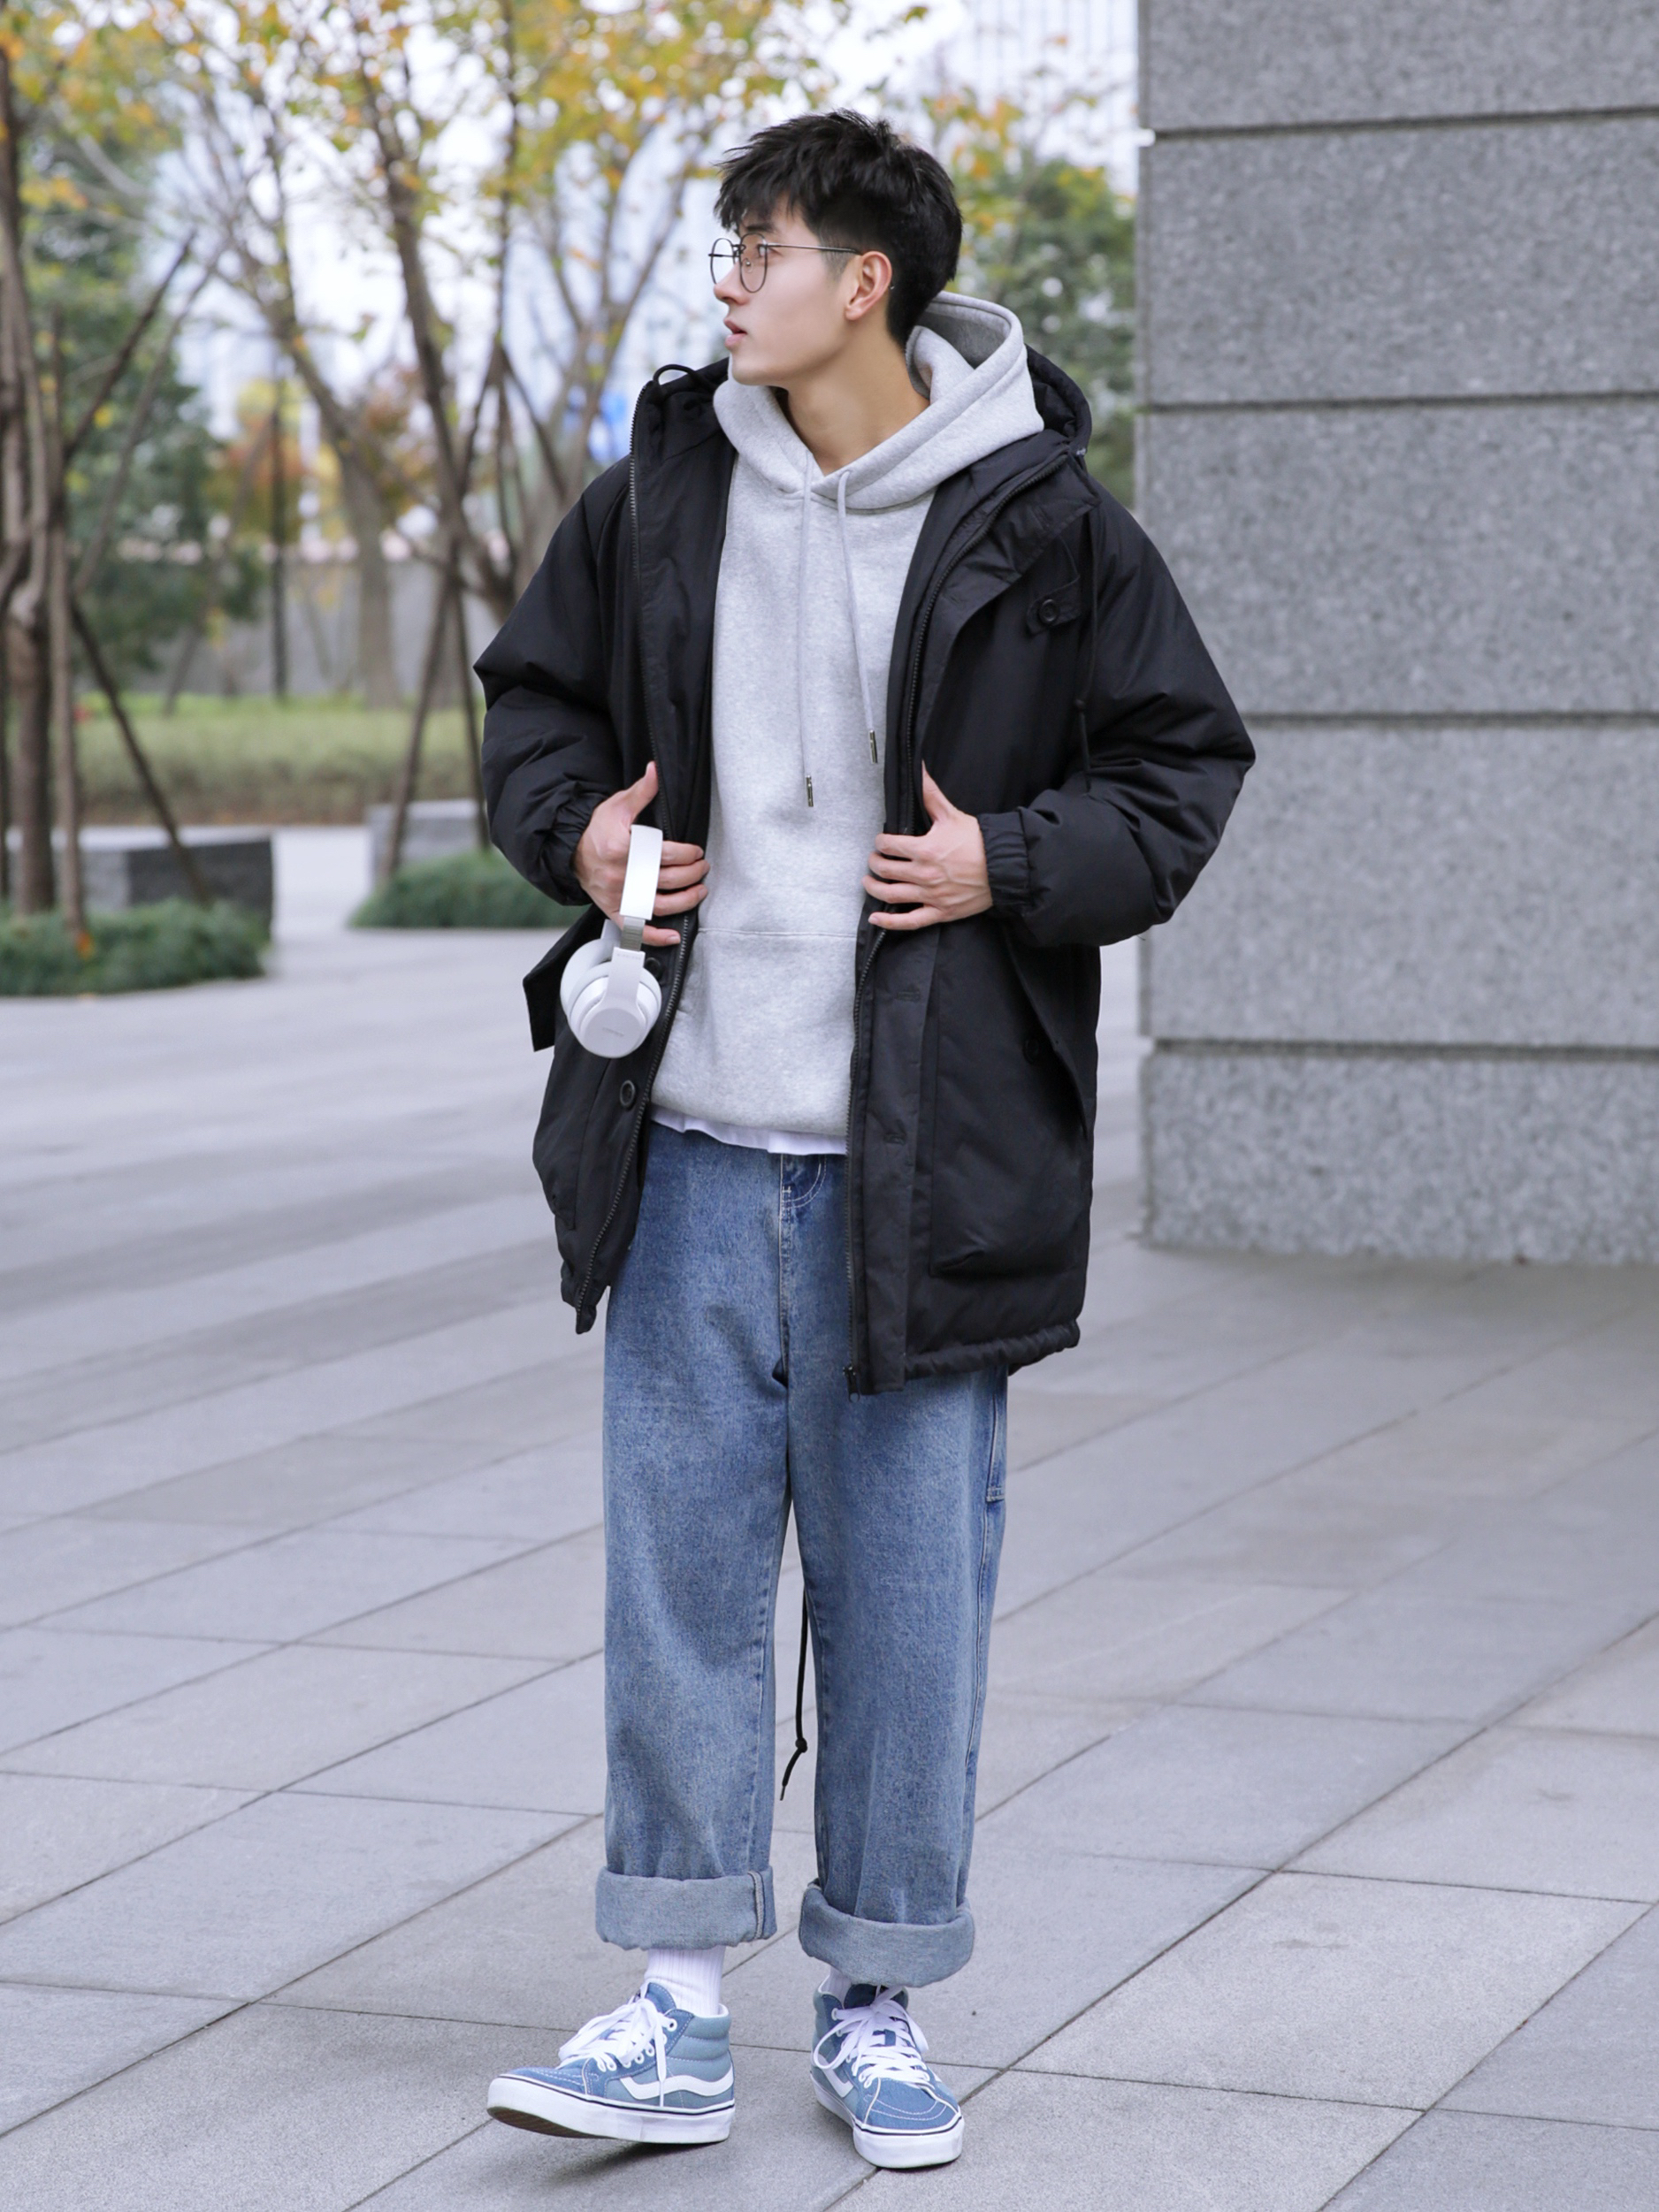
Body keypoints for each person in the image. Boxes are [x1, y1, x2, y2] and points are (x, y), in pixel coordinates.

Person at [475, 109, 1251, 2171]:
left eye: (762, 247)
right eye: (730, 248)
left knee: (908, 1602)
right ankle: (668, 2006)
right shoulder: (661, 494)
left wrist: (1013, 860)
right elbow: (531, 706)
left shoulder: (1042, 526)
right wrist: (580, 834)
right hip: (684, 1145)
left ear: (865, 283)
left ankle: (876, 1998)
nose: (729, 281)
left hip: (927, 1167)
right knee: (679, 1588)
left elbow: (1182, 766)